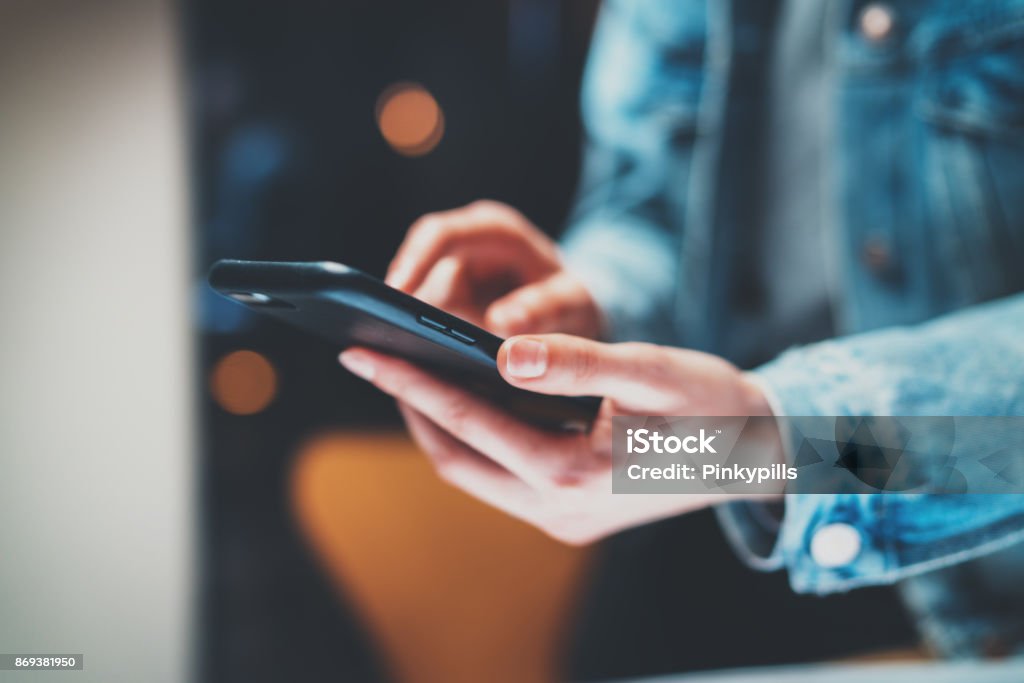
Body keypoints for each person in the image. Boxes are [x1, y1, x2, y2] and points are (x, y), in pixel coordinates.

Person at [340, 0, 1024, 669]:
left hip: (978, 577)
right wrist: (590, 301)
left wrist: (763, 445)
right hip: (687, 521)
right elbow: (652, 199)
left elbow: (995, 447)